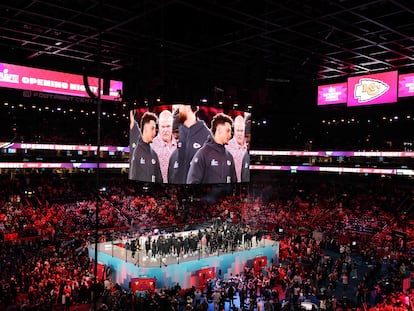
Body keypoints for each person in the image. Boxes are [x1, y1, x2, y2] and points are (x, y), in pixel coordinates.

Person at [186, 113, 237, 184]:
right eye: (227, 131)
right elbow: (192, 181)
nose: (230, 135)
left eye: (231, 132)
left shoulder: (229, 156)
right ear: (219, 130)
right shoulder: (202, 154)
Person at [168, 104, 210, 184]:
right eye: (175, 132)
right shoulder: (173, 156)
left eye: (180, 106)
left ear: (187, 107)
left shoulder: (207, 137)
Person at [129, 112, 162, 183]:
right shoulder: (136, 152)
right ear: (145, 128)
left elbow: (160, 179)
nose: (154, 133)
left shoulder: (154, 154)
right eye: (152, 129)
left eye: (155, 130)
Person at [150, 109, 177, 183]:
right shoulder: (151, 146)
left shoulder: (179, 145)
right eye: (163, 126)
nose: (165, 130)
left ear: (172, 126)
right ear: (158, 127)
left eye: (168, 126)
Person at [225, 115, 248, 182]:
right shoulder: (227, 147)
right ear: (234, 130)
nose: (239, 133)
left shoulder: (248, 147)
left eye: (241, 130)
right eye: (237, 130)